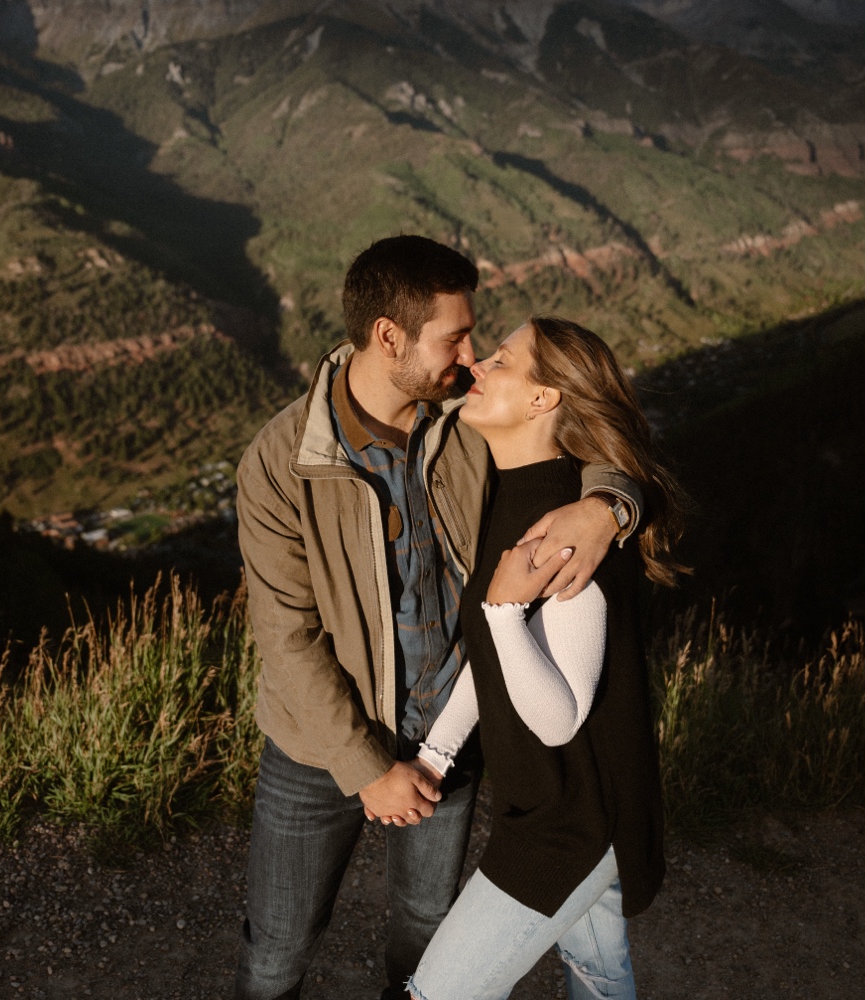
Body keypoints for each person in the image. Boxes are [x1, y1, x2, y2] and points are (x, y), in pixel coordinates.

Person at [234, 237, 646, 1000]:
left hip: (441, 743)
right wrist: (365, 770)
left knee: (427, 932)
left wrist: (608, 505)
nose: (470, 356)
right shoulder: (280, 462)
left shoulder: (466, 419)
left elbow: (575, 424)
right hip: (316, 749)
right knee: (277, 946)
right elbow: (286, 638)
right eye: (455, 336)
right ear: (390, 336)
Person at [400, 316, 687, 1000]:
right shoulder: (521, 491)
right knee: (596, 976)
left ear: (543, 400)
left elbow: (557, 719)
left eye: (502, 360)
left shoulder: (562, 523)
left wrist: (500, 613)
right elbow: (503, 664)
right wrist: (436, 755)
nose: (479, 366)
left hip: (576, 825)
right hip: (557, 808)